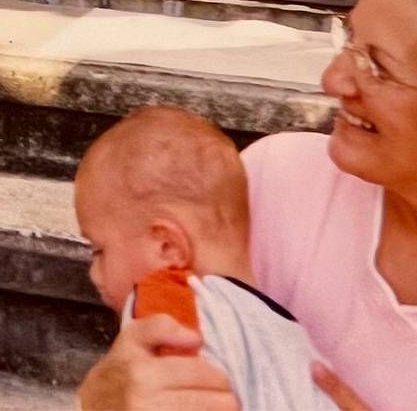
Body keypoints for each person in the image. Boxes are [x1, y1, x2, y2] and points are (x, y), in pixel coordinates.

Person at [79, 0, 417, 410]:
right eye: (348, 42)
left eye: (378, 67)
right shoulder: (271, 185)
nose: (333, 80)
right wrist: (104, 397)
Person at [75, 107, 336, 411]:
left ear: (167, 247)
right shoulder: (296, 343)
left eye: (99, 250)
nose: (94, 274)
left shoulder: (169, 300)